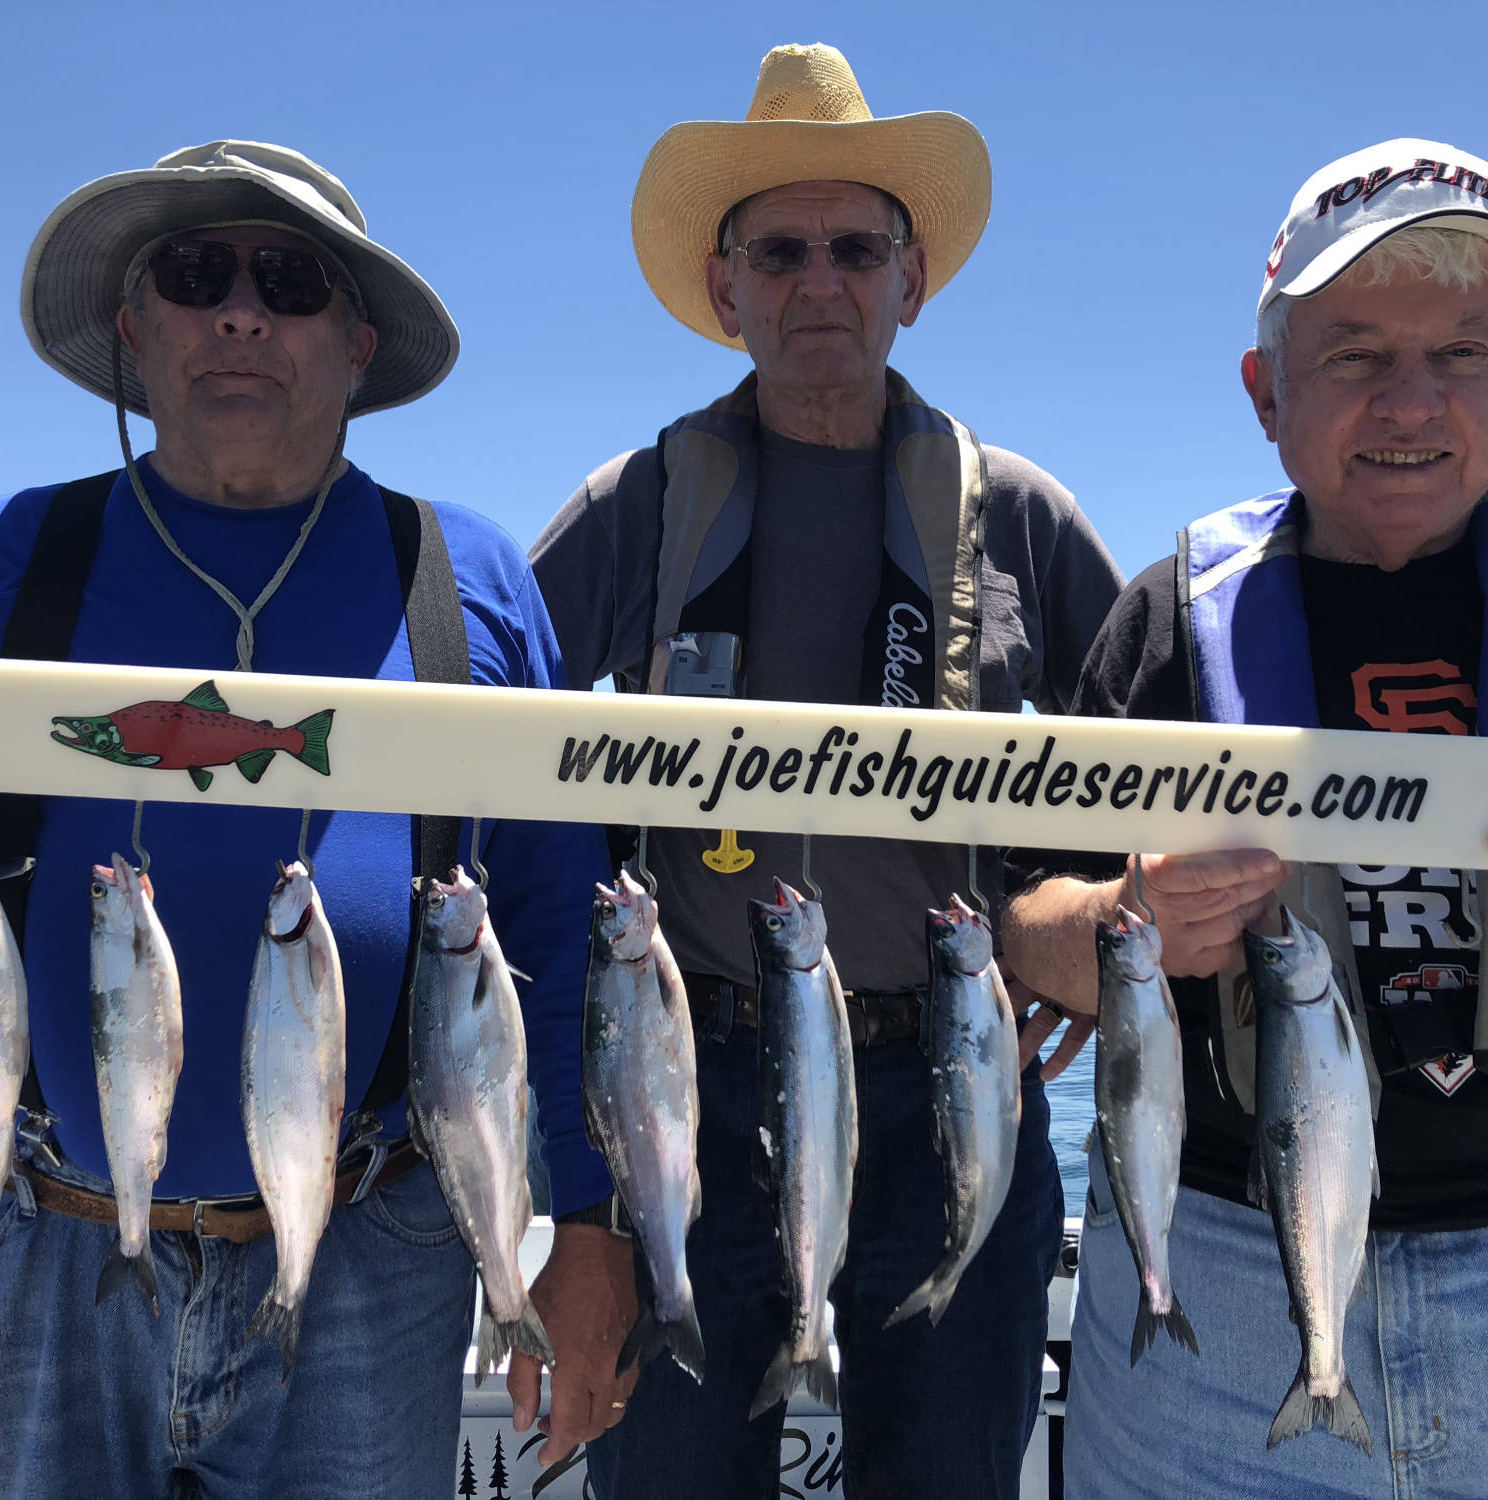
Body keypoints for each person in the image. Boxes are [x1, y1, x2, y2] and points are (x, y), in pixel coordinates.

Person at [0, 141, 629, 1499]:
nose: (242, 311)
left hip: (379, 1251)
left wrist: (588, 1223)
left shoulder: (467, 582)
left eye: (287, 281)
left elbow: (558, 932)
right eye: (195, 274)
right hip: (29, 1239)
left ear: (356, 344)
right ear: (133, 330)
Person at [1005, 138, 1488, 1497]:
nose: (1412, 401)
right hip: (1215, 1302)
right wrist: (1122, 924)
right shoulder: (1161, 632)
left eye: (1462, 351)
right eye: (1352, 353)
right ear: (1264, 392)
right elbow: (1019, 933)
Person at [528, 43, 1123, 1500]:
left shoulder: (1017, 514)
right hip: (691, 1092)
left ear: (910, 279)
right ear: (726, 288)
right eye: (777, 250)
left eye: (855, 248)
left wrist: (1075, 936)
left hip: (952, 1085)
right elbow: (494, 768)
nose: (817, 282)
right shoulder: (642, 504)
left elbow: (1144, 765)